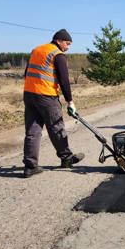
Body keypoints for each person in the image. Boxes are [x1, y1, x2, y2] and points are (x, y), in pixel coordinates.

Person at [22, 29, 84, 178]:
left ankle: (30, 166)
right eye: (67, 43)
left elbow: (27, 73)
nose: (68, 47)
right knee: (56, 127)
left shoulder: (36, 50)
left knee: (32, 130)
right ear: (59, 40)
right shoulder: (57, 54)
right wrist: (70, 101)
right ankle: (67, 159)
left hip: (29, 94)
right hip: (47, 96)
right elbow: (64, 80)